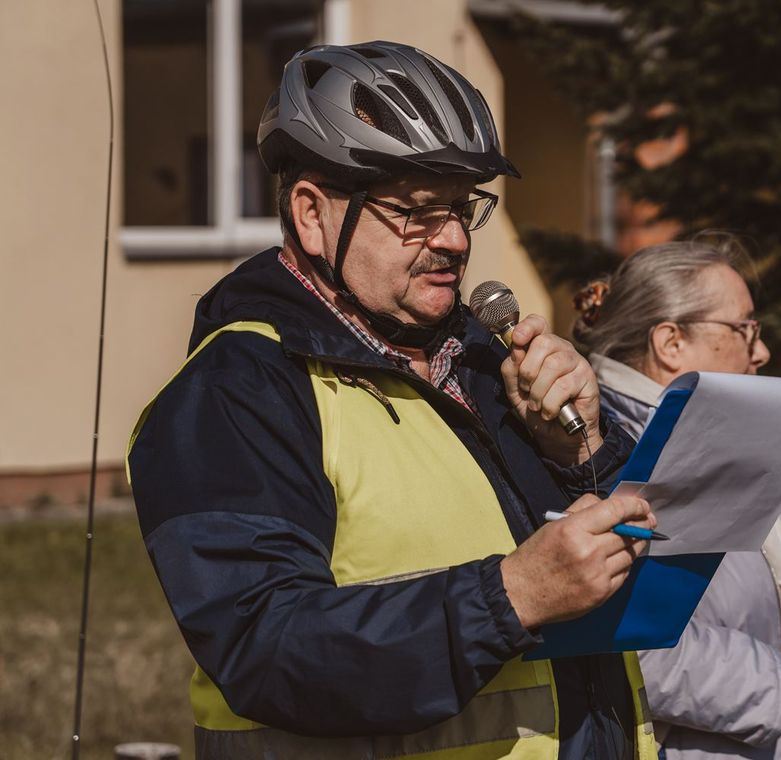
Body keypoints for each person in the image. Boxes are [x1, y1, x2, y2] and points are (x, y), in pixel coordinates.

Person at [126, 40, 661, 759]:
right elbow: (265, 647)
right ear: (313, 215)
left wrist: (580, 453)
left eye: (460, 207)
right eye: (415, 210)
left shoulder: (489, 362)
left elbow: (642, 576)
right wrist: (511, 598)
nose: (451, 240)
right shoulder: (234, 392)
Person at [572, 234, 781, 760]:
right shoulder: (600, 452)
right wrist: (776, 680)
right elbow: (624, 642)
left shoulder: (730, 429)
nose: (762, 350)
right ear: (671, 343)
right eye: (744, 328)